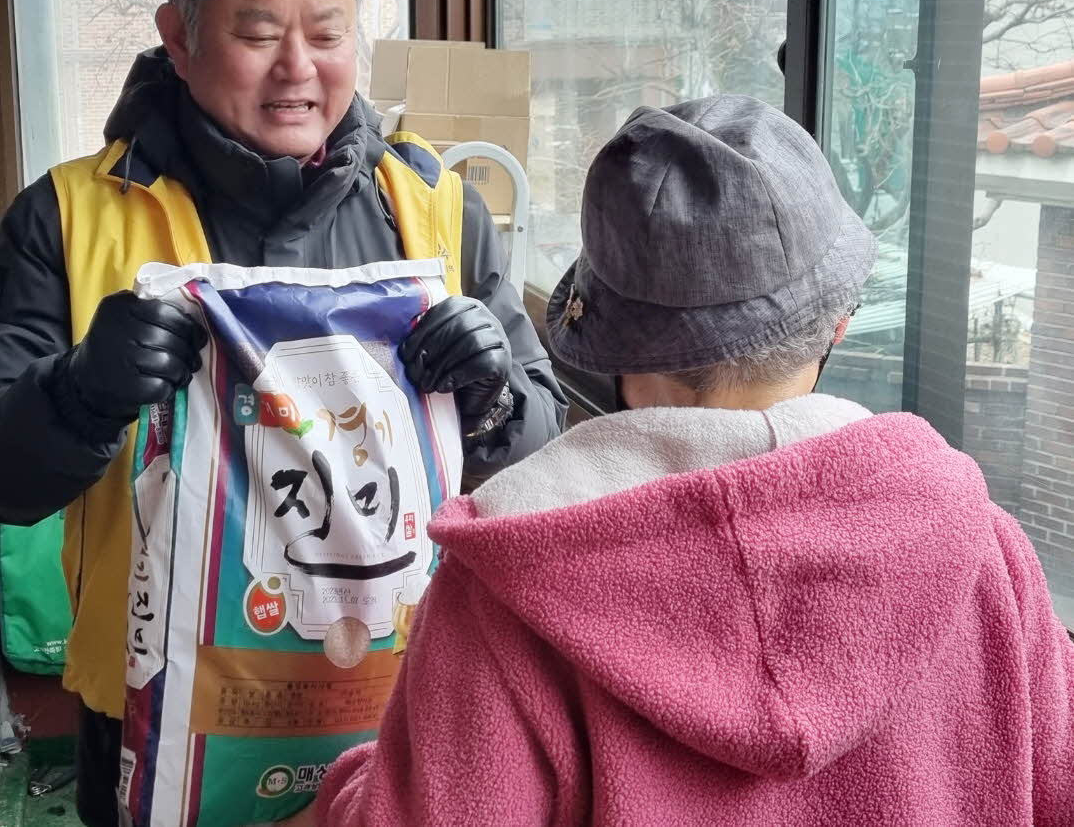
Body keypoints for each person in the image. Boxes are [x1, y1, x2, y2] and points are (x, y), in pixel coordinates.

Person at [0, 0, 567, 827]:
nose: (298, 69)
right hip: (155, 715)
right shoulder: (68, 219)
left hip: (403, 709)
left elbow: (538, 464)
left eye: (326, 33)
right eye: (259, 33)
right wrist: (80, 391)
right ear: (179, 37)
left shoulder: (437, 211)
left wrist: (492, 397)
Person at [301, 95, 1074, 826]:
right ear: (838, 324)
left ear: (616, 359)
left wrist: (358, 784)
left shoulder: (511, 591)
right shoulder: (984, 553)